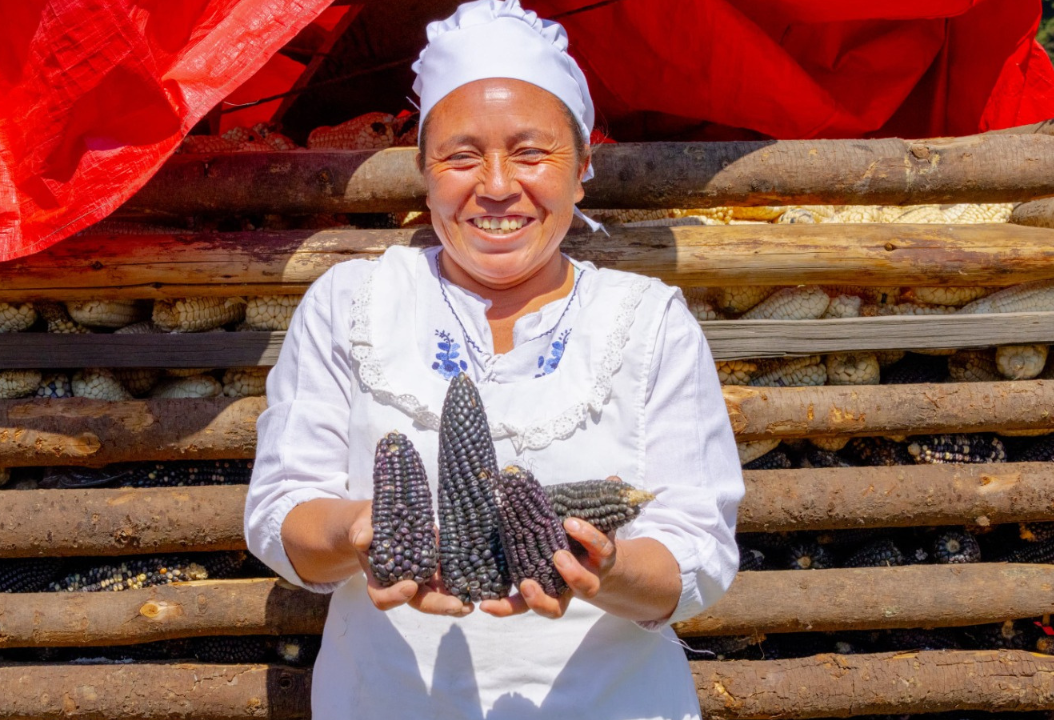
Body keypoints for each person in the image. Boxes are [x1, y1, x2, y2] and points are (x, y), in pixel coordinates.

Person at [244, 1, 744, 717]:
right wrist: (361, 531)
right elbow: (280, 512)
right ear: (424, 172)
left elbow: (697, 553)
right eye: (461, 155)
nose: (500, 185)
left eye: (532, 152)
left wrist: (605, 567)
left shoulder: (648, 319)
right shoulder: (351, 302)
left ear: (582, 171)